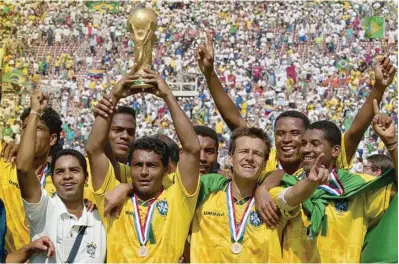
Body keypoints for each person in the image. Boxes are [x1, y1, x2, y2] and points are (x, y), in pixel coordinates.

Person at [196, 31, 396, 177]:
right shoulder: (266, 161)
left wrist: (379, 87)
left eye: (294, 134)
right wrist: (210, 74)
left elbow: (354, 132)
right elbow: (235, 121)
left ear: (307, 137)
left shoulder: (325, 162)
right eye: (280, 134)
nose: (287, 140)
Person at [85, 68, 201, 262]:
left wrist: (167, 96)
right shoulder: (113, 198)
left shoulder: (178, 200)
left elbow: (192, 149)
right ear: (130, 167)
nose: (144, 172)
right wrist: (114, 95)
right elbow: (94, 149)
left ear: (166, 170)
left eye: (152, 166)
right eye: (138, 165)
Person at [265, 117, 397, 262]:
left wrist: (392, 144)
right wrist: (310, 184)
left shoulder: (360, 187)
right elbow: (287, 200)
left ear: (335, 151)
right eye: (303, 143)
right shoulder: (287, 183)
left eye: (315, 144)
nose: (306, 149)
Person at [16, 92, 106, 263]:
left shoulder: (100, 216)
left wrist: (128, 187)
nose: (67, 176)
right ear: (53, 178)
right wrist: (35, 112)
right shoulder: (43, 209)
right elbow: (22, 168)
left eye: (74, 170)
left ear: (86, 178)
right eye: (59, 171)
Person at [190, 126, 286, 262]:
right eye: (244, 151)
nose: (250, 158)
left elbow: (291, 193)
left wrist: (311, 182)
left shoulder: (271, 196)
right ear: (230, 158)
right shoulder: (205, 193)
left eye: (257, 154)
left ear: (265, 164)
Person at [0, 98, 62, 253]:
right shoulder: (4, 163)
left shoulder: (62, 181)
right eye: (26, 127)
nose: (30, 132)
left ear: (52, 139)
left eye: (38, 128)